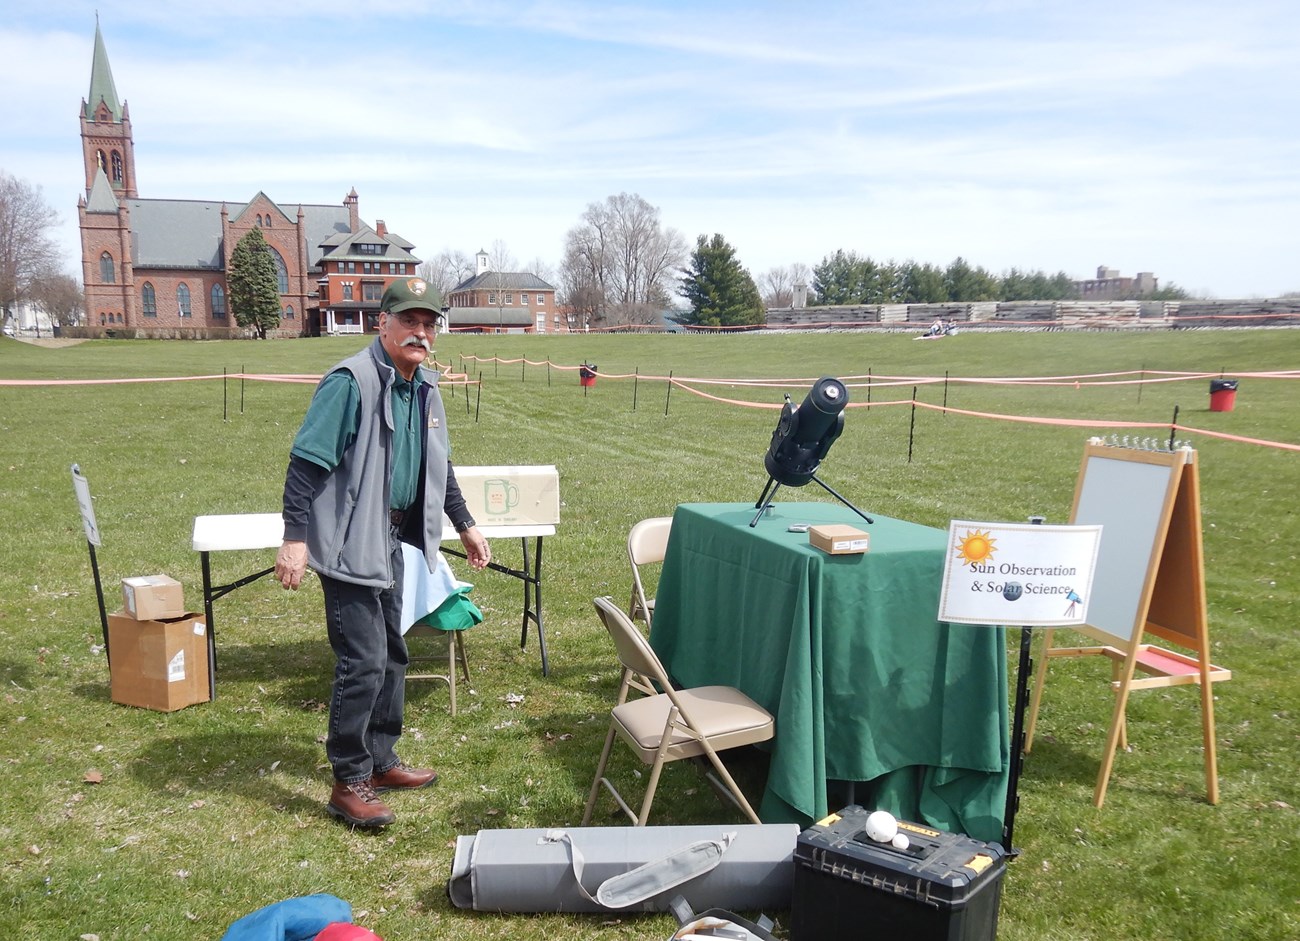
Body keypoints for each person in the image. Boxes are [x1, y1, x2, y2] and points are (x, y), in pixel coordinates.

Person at [274, 277, 490, 828]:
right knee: (363, 659)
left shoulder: (424, 386)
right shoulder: (351, 382)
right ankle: (348, 781)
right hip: (349, 543)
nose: (420, 332)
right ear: (382, 323)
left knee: (393, 652)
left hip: (391, 540)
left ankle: (382, 758)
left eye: (428, 323)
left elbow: (436, 466)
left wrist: (463, 524)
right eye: (408, 321)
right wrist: (294, 538)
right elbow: (306, 464)